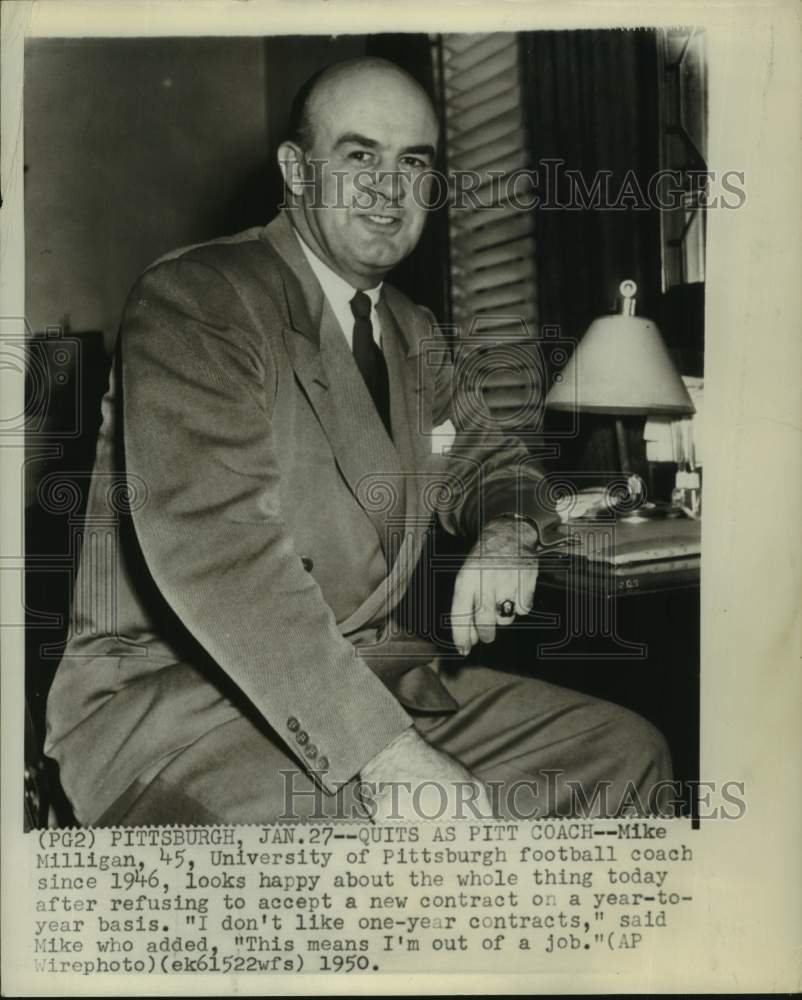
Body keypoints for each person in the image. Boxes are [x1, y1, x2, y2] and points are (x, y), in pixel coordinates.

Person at [44, 57, 670, 826]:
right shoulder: (197, 301)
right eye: (359, 155)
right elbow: (223, 562)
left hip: (376, 678)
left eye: (414, 162)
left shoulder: (412, 332)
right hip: (184, 712)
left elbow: (494, 463)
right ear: (296, 173)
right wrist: (388, 756)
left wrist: (510, 533)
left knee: (625, 751)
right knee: (388, 849)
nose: (389, 186)